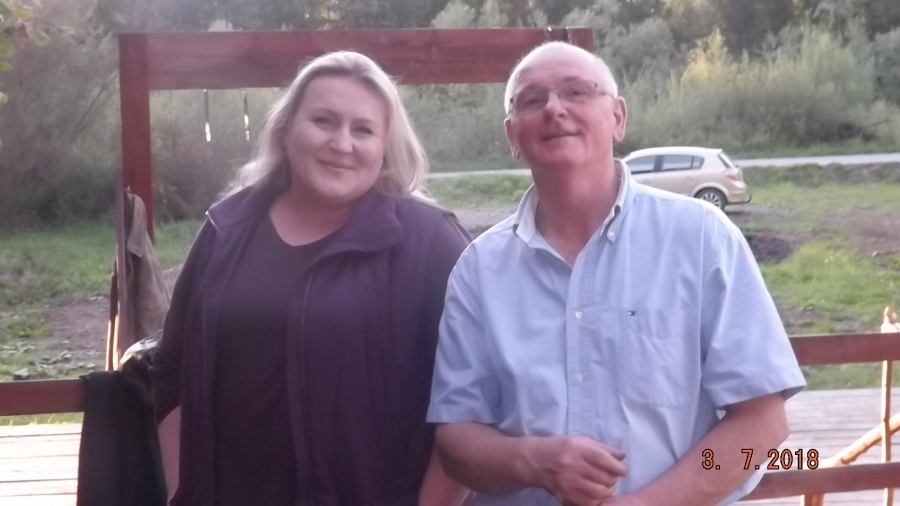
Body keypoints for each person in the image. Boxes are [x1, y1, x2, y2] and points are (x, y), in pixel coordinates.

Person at [426, 41, 807, 506]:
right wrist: (533, 461)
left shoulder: (702, 239)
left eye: (577, 92)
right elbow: (456, 442)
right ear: (512, 136)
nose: (554, 109)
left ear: (618, 118)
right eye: (531, 99)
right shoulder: (478, 271)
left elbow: (762, 427)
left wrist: (650, 503)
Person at [150, 51, 471, 506]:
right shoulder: (226, 229)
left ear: (386, 147)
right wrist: (181, 489)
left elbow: (475, 394)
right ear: (286, 130)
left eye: (363, 130)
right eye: (323, 121)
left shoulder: (429, 242)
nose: (342, 143)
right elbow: (173, 364)